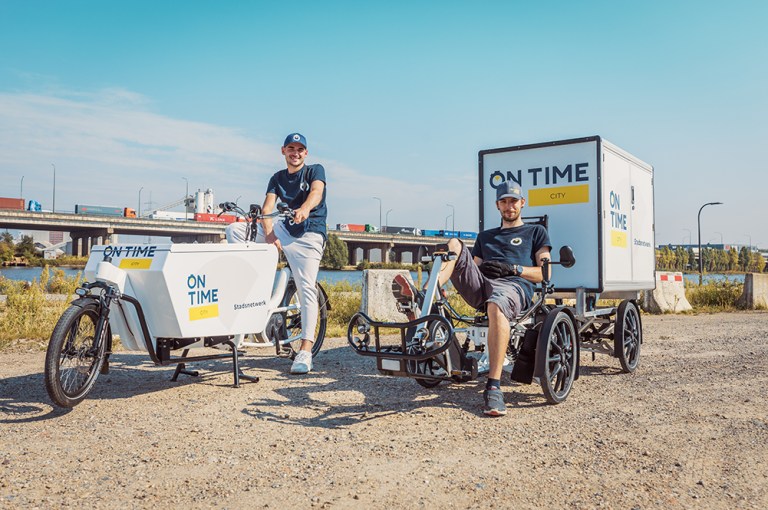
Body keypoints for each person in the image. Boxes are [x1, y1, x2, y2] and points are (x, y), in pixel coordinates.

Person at [436, 181, 550, 416]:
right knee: (455, 244)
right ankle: (429, 291)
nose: (509, 206)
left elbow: (545, 273)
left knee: (495, 304)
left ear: (522, 203)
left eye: (513, 201)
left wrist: (514, 269)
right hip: (483, 286)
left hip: (513, 287)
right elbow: (472, 268)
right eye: (504, 202)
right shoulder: (485, 237)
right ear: (497, 205)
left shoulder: (536, 232)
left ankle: (494, 387)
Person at [226, 132, 327, 375]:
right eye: (291, 148)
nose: (296, 153)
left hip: (309, 233)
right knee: (235, 230)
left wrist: (304, 208)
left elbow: (316, 193)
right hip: (283, 228)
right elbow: (268, 207)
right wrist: (270, 235)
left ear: (306, 153)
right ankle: (252, 287)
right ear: (283, 151)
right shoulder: (277, 178)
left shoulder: (315, 170)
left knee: (306, 289)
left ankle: (305, 350)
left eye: (300, 149)